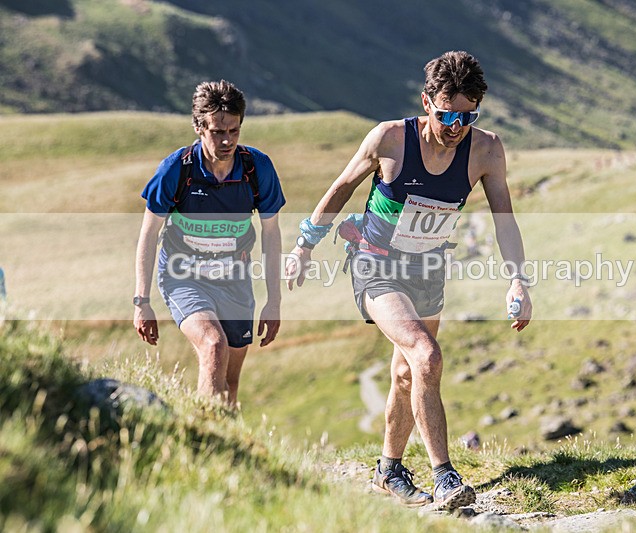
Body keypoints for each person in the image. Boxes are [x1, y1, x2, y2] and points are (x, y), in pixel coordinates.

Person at [285, 51, 532, 509]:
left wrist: (518, 281)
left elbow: (505, 220)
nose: (456, 126)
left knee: (407, 373)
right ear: (426, 102)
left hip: (428, 269)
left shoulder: (486, 150)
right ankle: (445, 475)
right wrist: (304, 245)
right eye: (447, 115)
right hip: (375, 264)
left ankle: (389, 469)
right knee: (426, 354)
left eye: (468, 116)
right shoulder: (390, 139)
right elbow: (342, 187)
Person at [133, 80, 285, 406]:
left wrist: (274, 301)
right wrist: (141, 301)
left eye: (234, 130)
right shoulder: (177, 169)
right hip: (183, 275)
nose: (227, 140)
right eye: (217, 132)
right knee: (213, 345)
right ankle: (204, 430)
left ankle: (224, 435)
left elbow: (271, 234)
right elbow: (149, 234)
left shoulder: (256, 168)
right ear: (199, 127)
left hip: (234, 279)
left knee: (230, 380)